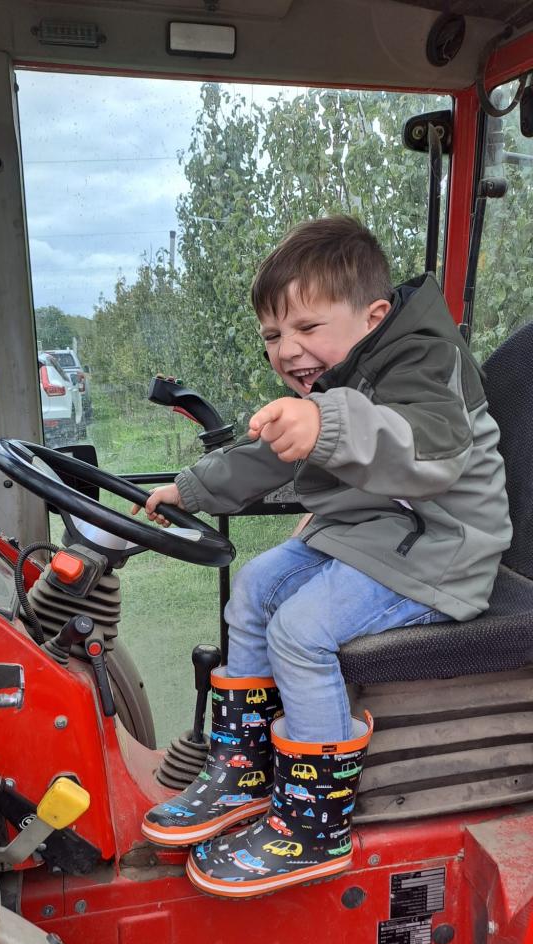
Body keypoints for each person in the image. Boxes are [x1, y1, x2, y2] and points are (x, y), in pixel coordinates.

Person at [136, 215, 512, 899]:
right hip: (372, 533)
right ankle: (246, 768)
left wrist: (326, 423)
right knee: (253, 585)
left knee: (299, 629)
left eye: (307, 327)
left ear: (373, 317)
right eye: (272, 335)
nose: (287, 350)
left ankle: (314, 822)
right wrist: (189, 489)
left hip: (443, 551)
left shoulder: (427, 361)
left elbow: (424, 449)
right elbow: (268, 455)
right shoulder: (342, 374)